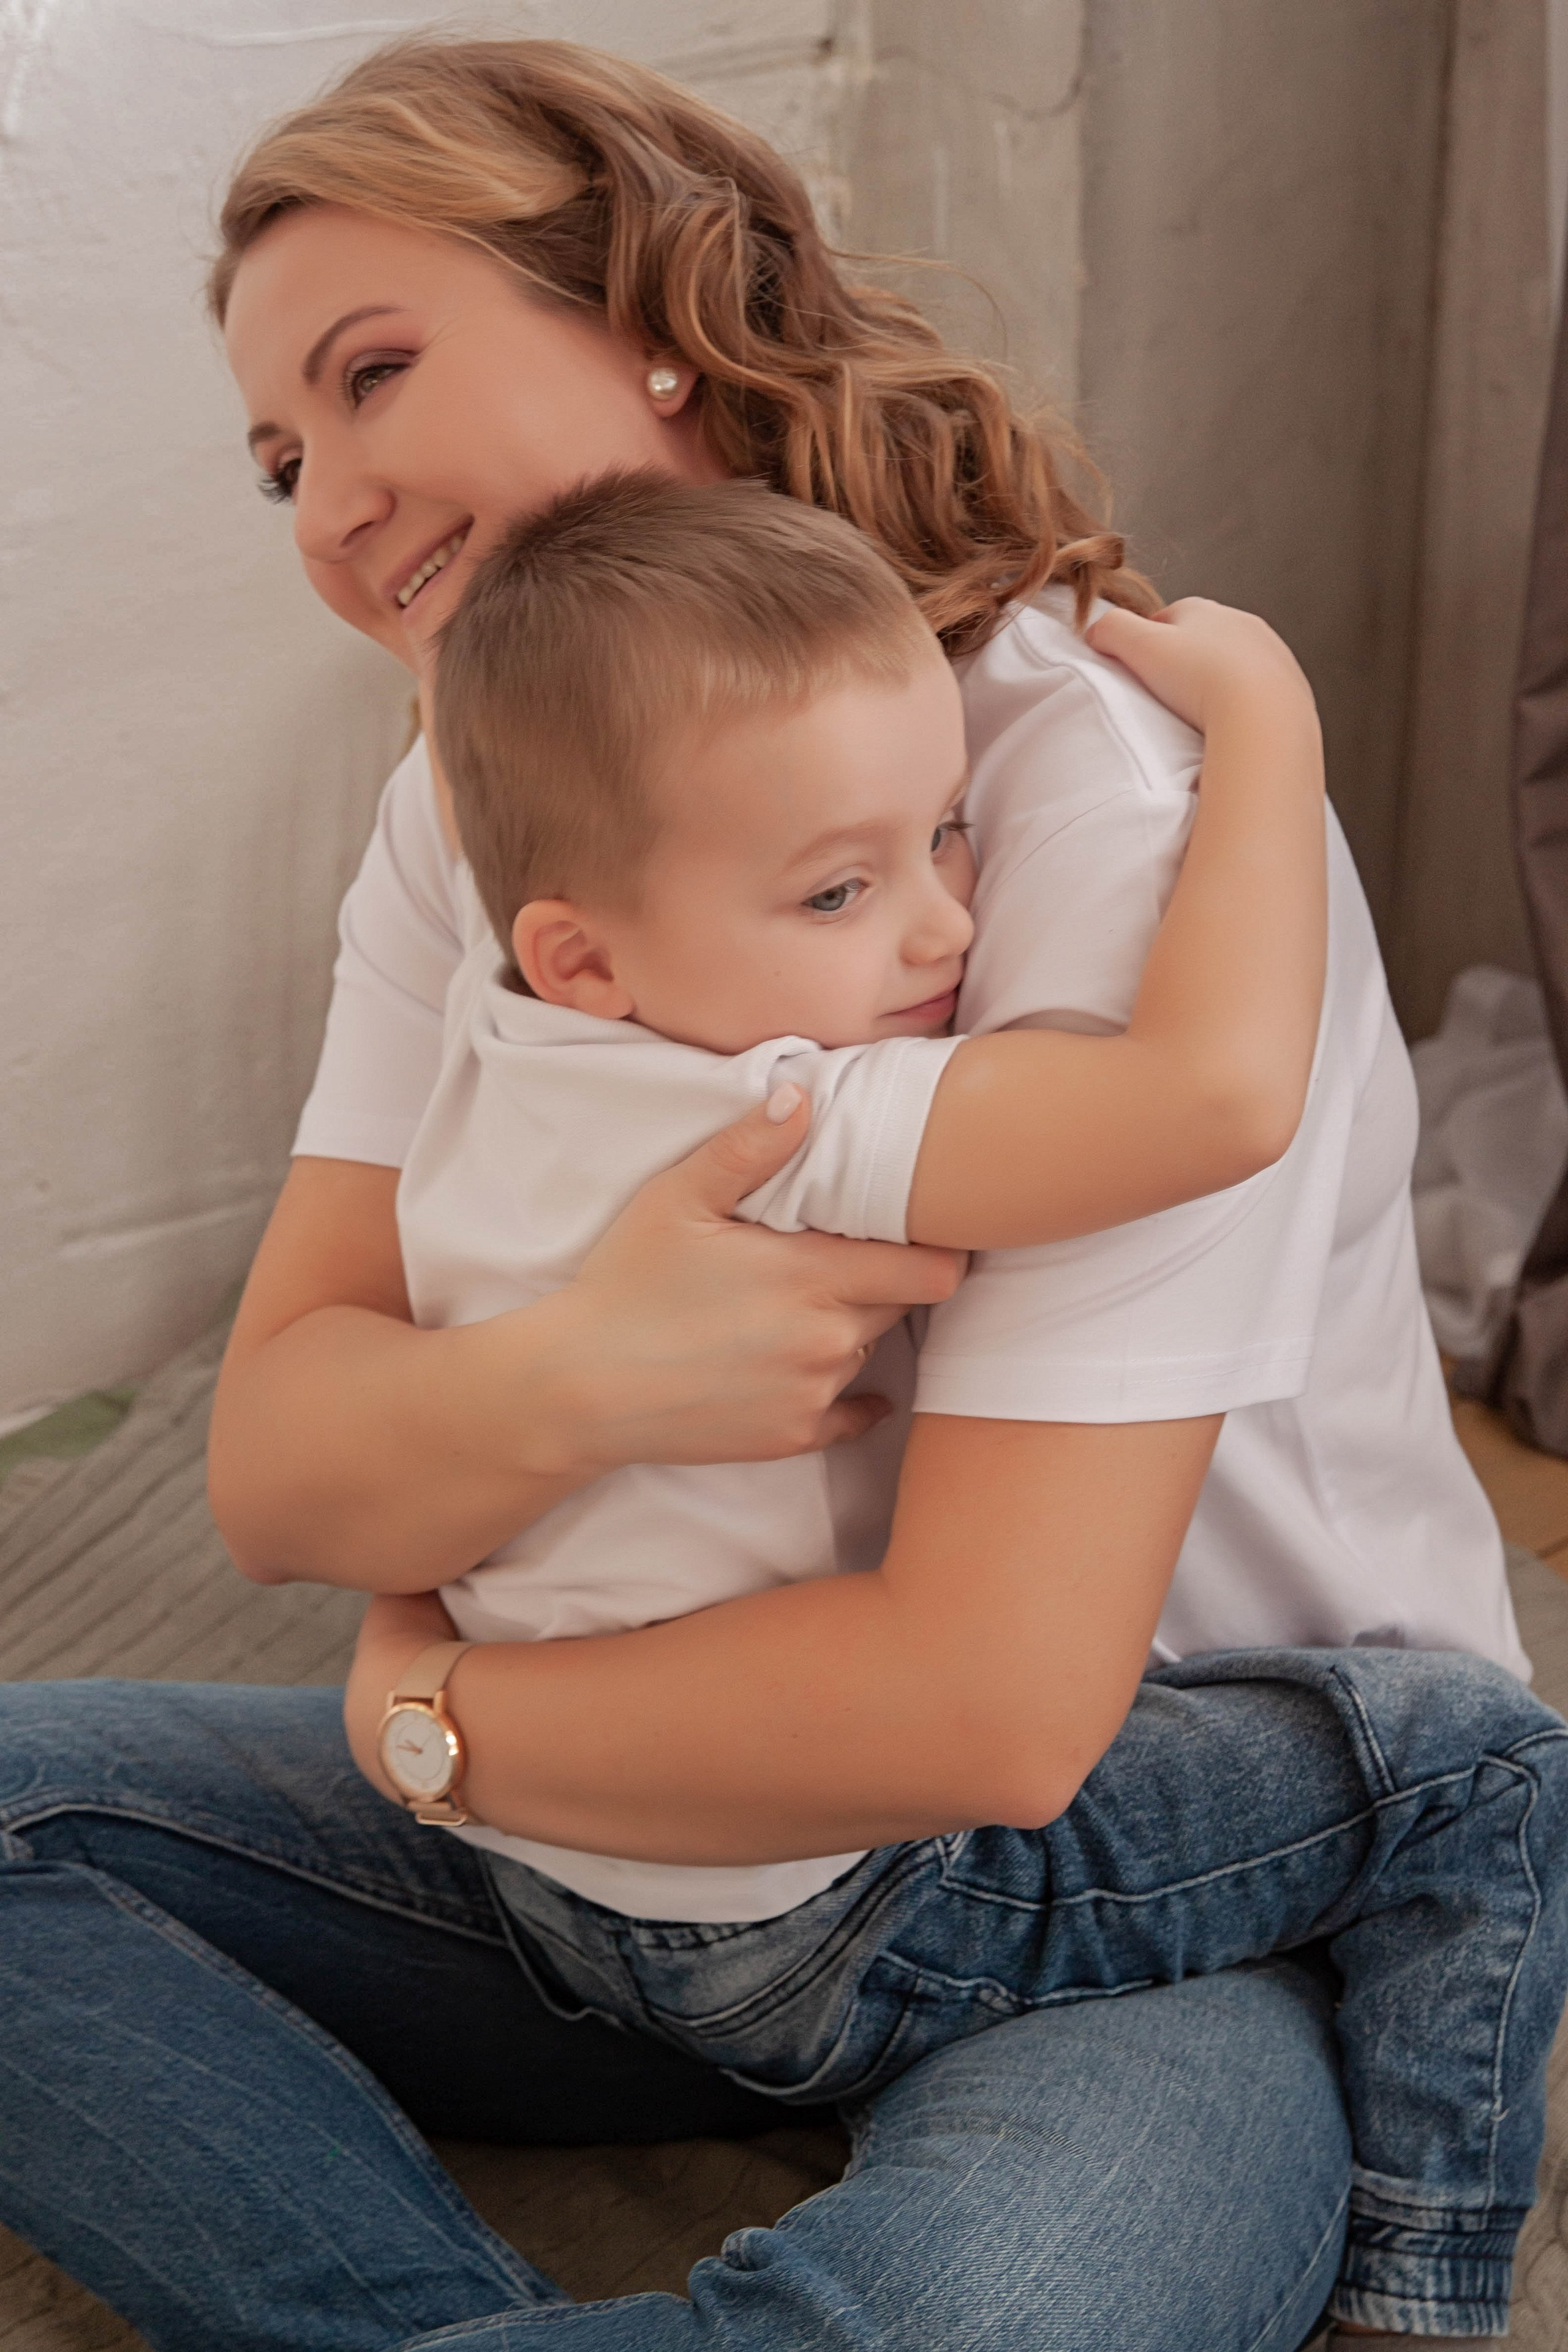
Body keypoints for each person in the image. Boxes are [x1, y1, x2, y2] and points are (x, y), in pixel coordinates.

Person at [0, 34, 1539, 2352]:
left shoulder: (1091, 799)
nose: (324, 500)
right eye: (279, 458)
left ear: (654, 302)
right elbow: (282, 1468)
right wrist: (577, 1371)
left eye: (373, 372)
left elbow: (995, 1717)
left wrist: (431, 1718)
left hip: (1123, 1873)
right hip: (642, 1868)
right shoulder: (483, 814)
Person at [364, 466, 1567, 2348]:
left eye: (949, 836)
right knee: (1485, 1760)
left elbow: (322, 1481)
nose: (940, 936)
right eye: (844, 888)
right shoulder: (772, 1111)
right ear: (584, 950)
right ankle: (1422, 2307)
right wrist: (1267, 724)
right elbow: (1206, 1102)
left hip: (552, 1870)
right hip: (823, 1899)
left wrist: (411, 1694)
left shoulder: (493, 1066)